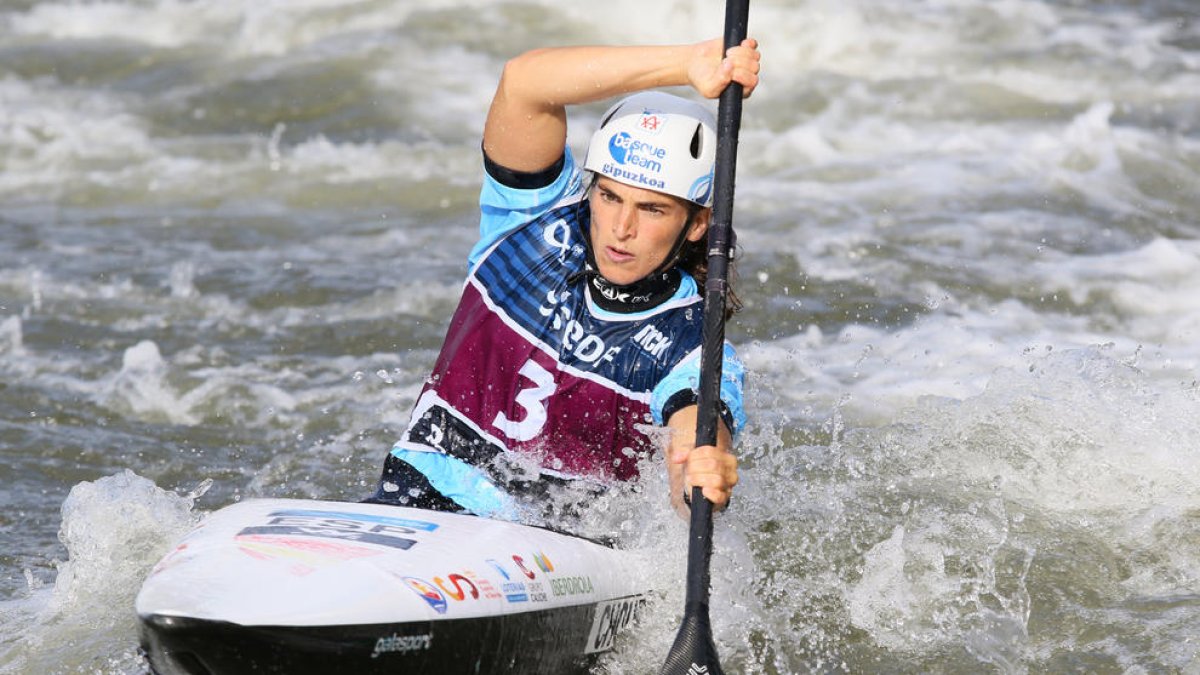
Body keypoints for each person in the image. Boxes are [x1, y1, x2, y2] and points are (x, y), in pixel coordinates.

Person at [365, 36, 762, 525]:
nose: (621, 228)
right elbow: (524, 84)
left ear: (698, 224)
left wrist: (702, 473)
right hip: (413, 498)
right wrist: (688, 63)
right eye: (609, 197)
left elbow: (692, 444)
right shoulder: (532, 220)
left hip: (550, 548)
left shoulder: (692, 347)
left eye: (652, 209)